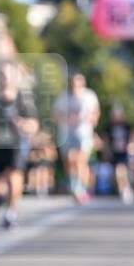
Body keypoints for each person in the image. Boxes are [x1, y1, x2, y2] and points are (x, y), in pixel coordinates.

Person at [0, 63, 38, 228]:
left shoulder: (23, 100)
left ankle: (10, 212)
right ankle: (0, 195)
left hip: (15, 144)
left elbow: (34, 124)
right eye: (2, 75)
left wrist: (23, 124)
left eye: (8, 75)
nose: (5, 78)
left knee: (14, 176)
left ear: (14, 77)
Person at [52, 72, 100, 204]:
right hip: (66, 133)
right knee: (69, 160)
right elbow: (55, 113)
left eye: (77, 83)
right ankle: (74, 184)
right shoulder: (63, 97)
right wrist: (64, 117)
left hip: (83, 133)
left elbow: (95, 112)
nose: (75, 85)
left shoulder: (89, 96)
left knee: (80, 160)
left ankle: (80, 189)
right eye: (72, 83)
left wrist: (93, 120)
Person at [104, 104, 134, 205]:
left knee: (121, 170)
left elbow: (133, 138)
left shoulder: (127, 126)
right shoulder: (109, 127)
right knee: (117, 173)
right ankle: (124, 188)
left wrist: (132, 148)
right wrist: (107, 151)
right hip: (115, 153)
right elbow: (106, 141)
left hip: (125, 153)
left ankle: (125, 189)